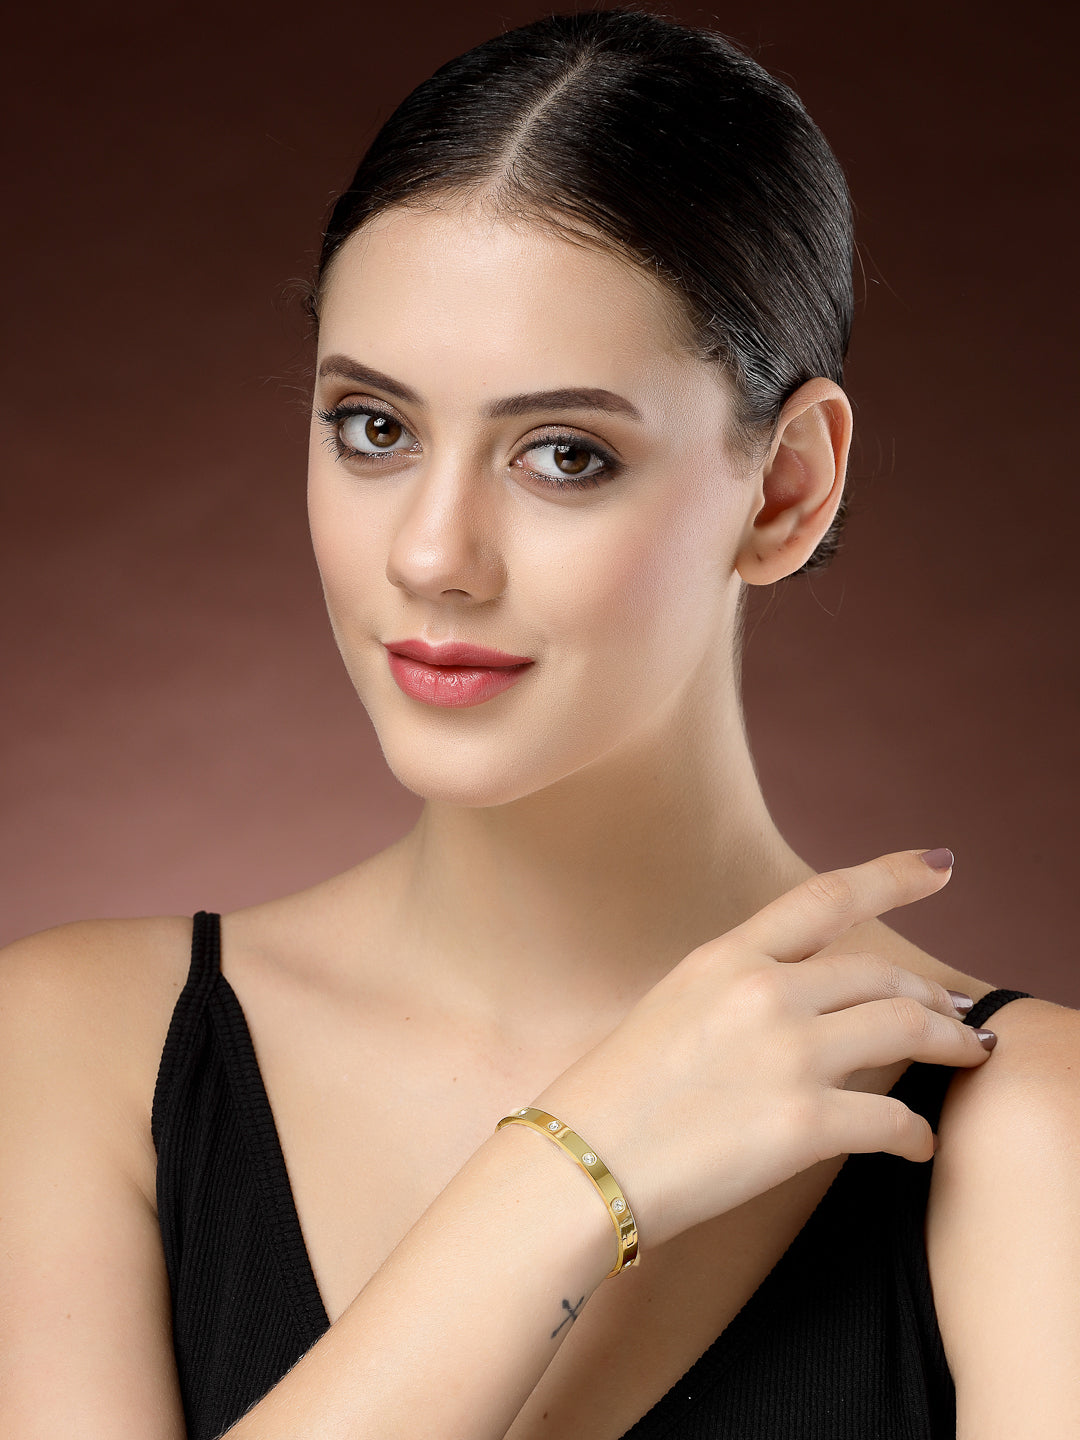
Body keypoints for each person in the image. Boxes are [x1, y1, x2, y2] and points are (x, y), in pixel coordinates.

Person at [1, 8, 1077, 1438]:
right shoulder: (77, 1049)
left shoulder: (1034, 1134)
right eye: (374, 429)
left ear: (787, 490)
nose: (432, 556)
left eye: (564, 454)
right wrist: (566, 1176)